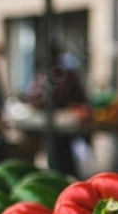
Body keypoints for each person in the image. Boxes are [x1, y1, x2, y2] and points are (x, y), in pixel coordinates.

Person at [25, 43, 89, 176]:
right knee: (53, 155)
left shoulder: (67, 75)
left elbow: (80, 99)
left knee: (64, 158)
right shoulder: (42, 76)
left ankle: (65, 176)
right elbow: (33, 98)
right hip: (49, 124)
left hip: (66, 125)